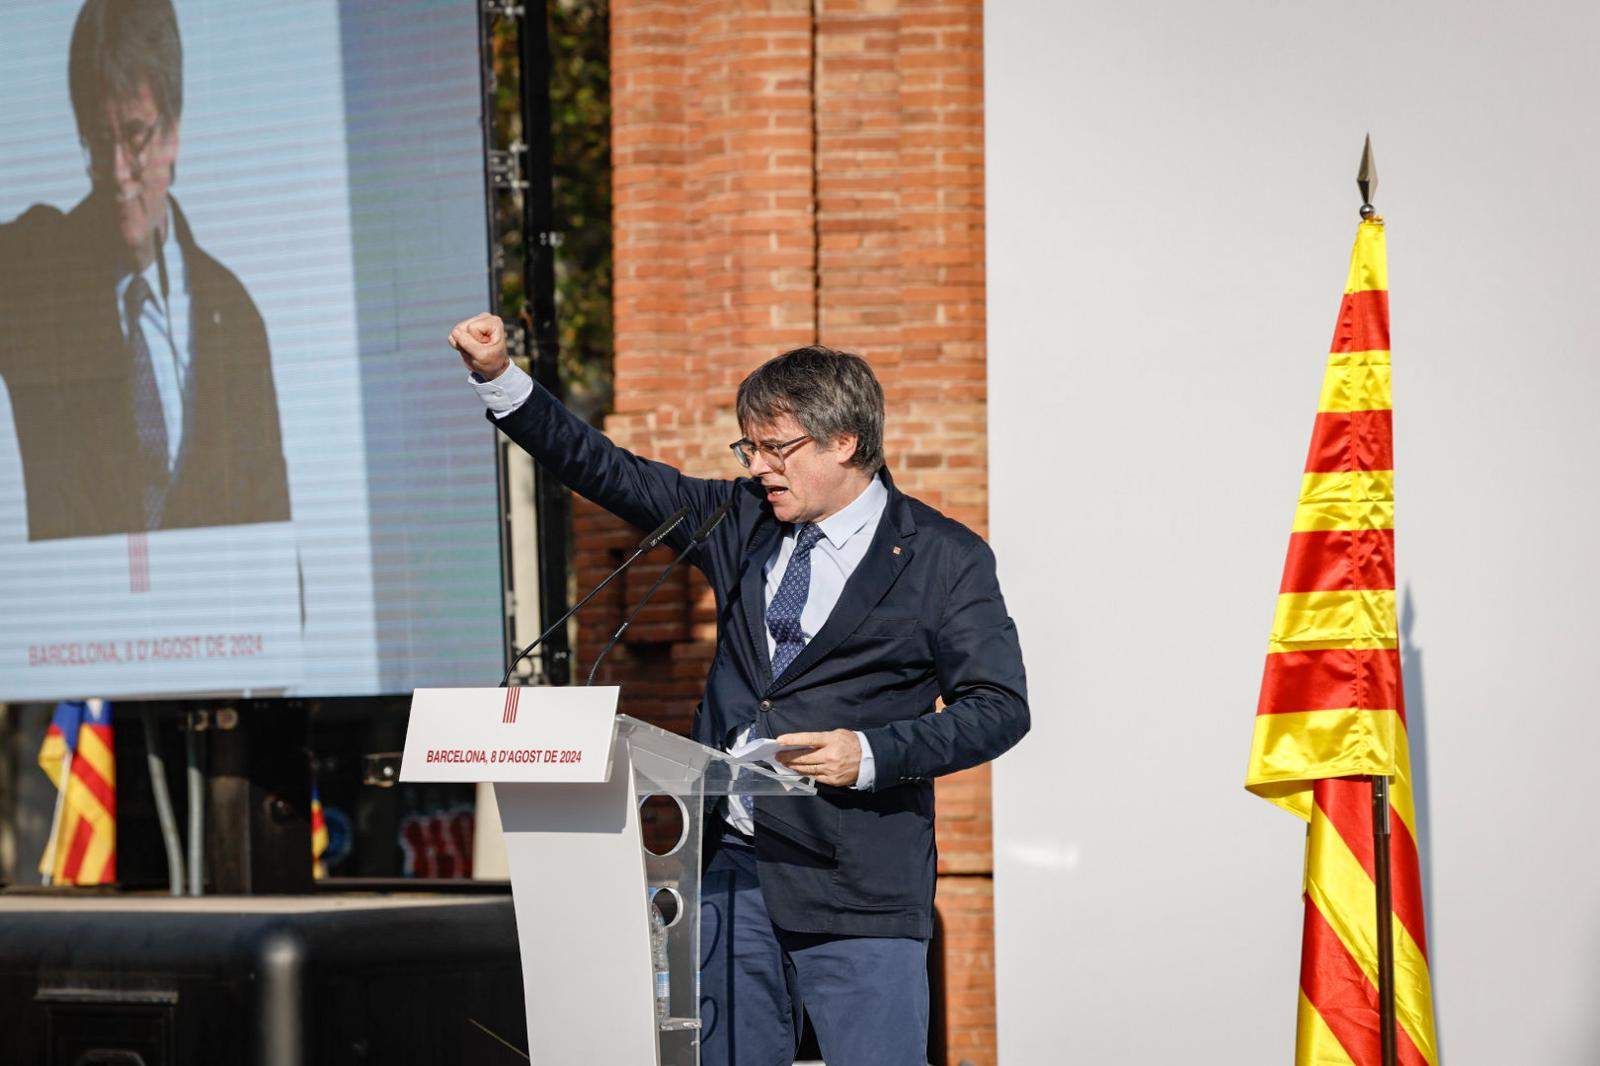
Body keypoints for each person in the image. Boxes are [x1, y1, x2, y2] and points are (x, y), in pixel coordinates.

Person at [450, 311, 1030, 1066]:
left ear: (844, 442)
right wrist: (501, 379)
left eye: (774, 447)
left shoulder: (944, 558)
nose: (757, 466)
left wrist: (871, 753)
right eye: (748, 446)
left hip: (857, 881)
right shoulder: (739, 520)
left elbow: (999, 708)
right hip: (730, 872)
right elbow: (607, 470)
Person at [0, 0, 289, 541]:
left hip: (208, 621)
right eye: (98, 141)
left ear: (173, 130)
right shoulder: (30, 271)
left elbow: (271, 523)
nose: (115, 172)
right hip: (82, 621)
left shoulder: (235, 314)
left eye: (134, 136)